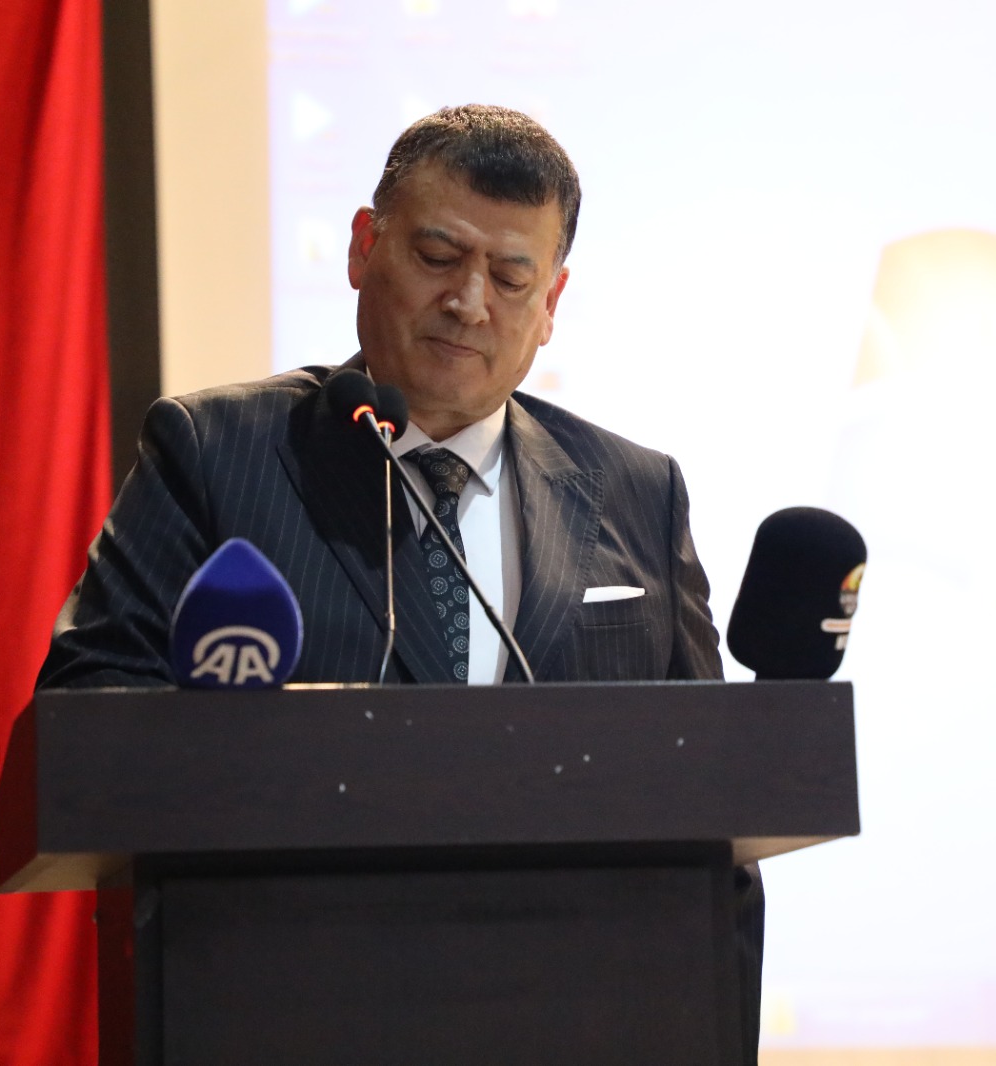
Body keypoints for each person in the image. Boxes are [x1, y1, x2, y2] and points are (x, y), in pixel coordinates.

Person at [38, 103, 763, 1060]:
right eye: (437, 256)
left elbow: (710, 800)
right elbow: (88, 716)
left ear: (552, 303)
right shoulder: (214, 454)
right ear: (362, 247)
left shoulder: (638, 491)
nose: (470, 301)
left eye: (512, 277)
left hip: (579, 1012)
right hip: (290, 1008)